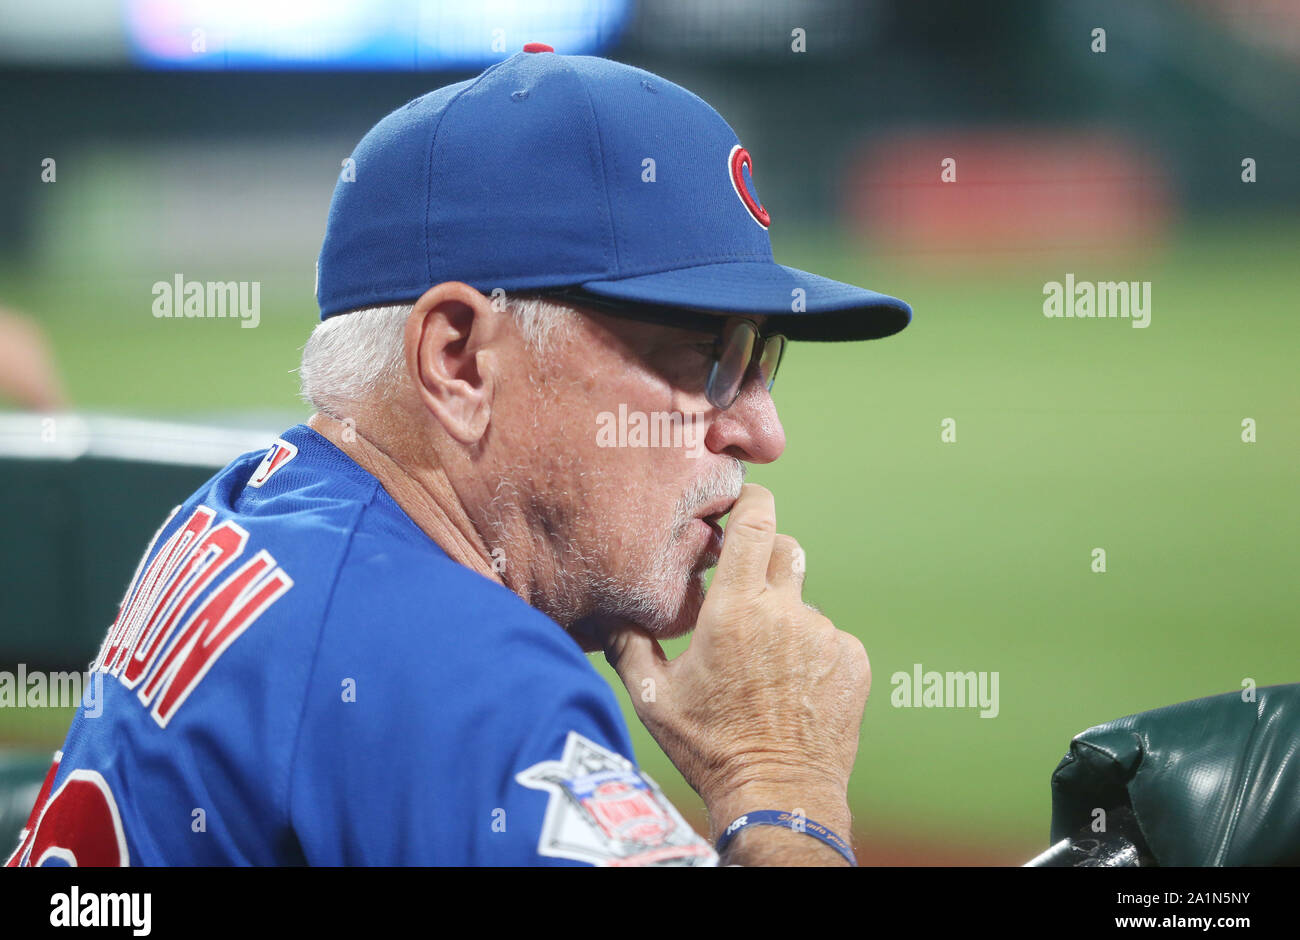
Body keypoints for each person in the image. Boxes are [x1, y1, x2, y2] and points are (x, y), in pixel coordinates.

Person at [7, 46, 910, 868]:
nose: (763, 433)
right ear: (459, 361)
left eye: (763, 359)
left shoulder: (256, 503)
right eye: (707, 357)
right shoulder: (468, 691)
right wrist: (782, 790)